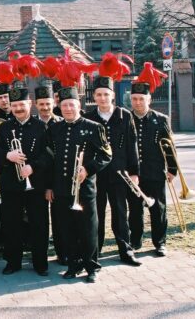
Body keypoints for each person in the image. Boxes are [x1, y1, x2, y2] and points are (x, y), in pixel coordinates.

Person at [47, 86, 112, 283]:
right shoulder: (54, 128)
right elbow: (49, 160)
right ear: (59, 106)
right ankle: (73, 265)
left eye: (71, 105)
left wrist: (88, 169)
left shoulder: (94, 127)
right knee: (67, 229)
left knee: (88, 229)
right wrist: (49, 186)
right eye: (64, 105)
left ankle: (92, 266)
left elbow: (106, 154)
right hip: (61, 188)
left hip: (85, 189)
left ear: (79, 105)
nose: (67, 108)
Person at [0, 87, 52, 276]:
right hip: (11, 183)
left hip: (36, 183)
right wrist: (7, 155)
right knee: (11, 224)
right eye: (15, 105)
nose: (18, 108)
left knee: (39, 224)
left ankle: (40, 263)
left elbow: (49, 153)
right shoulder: (4, 127)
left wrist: (33, 166)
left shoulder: (41, 126)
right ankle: (13, 262)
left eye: (21, 104)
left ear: (30, 104)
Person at [85, 76, 141, 266]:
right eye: (99, 95)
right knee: (96, 214)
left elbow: (132, 146)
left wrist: (134, 172)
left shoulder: (125, 116)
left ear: (112, 96)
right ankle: (95, 251)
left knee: (120, 213)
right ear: (94, 96)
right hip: (95, 176)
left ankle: (125, 251)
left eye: (106, 94)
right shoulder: (88, 118)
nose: (102, 98)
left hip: (119, 174)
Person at [128, 77, 178, 257]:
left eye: (142, 99)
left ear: (149, 100)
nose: (138, 102)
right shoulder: (126, 118)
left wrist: (172, 170)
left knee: (158, 209)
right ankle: (135, 241)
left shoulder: (161, 119)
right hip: (133, 174)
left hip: (155, 173)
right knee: (134, 210)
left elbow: (169, 146)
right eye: (134, 99)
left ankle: (160, 242)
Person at [34, 85, 66, 266]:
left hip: (57, 181)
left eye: (48, 103)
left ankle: (62, 254)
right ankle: (40, 256)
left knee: (60, 220)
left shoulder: (62, 123)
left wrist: (52, 186)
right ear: (36, 105)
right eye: (41, 104)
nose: (45, 107)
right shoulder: (32, 124)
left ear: (54, 102)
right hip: (36, 181)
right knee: (39, 221)